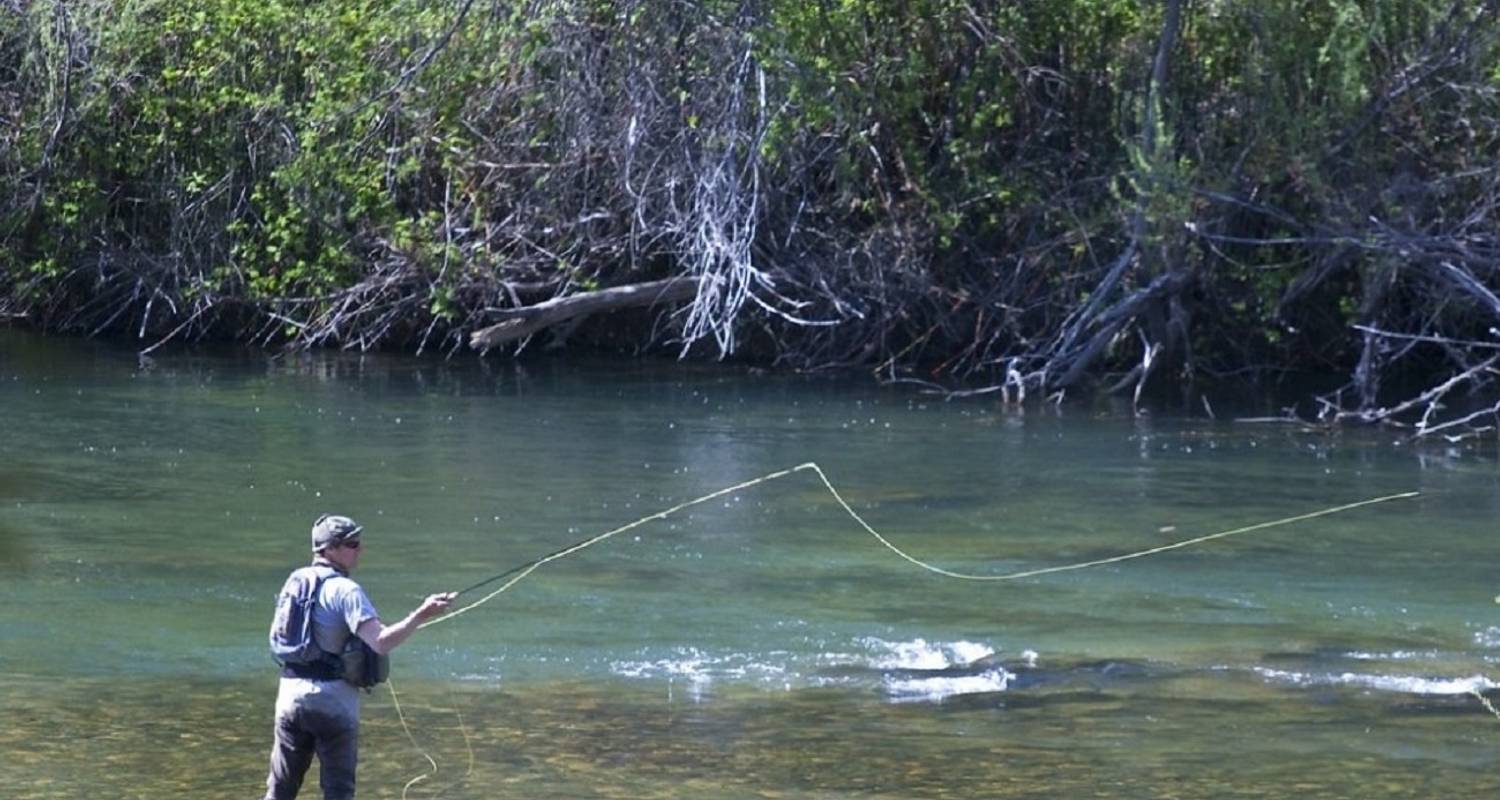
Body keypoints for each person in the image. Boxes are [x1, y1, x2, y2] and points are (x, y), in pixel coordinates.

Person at [263, 514, 455, 800]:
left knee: (280, 791)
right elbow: (380, 642)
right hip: (333, 703)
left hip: (290, 698)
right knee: (339, 792)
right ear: (329, 549)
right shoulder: (346, 590)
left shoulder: (296, 580)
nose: (360, 549)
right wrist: (421, 615)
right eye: (352, 544)